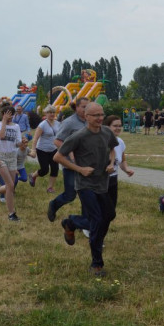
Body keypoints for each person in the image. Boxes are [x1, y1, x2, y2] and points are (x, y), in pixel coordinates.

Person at [53, 103, 117, 277]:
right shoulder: (79, 136)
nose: (99, 118)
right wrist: (79, 169)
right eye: (95, 115)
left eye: (102, 114)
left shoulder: (107, 132)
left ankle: (71, 222)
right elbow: (58, 156)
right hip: (84, 184)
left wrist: (111, 164)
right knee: (96, 220)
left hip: (102, 183)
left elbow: (112, 149)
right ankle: (96, 264)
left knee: (109, 215)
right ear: (86, 117)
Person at [46, 97, 89, 222]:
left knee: (86, 194)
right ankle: (54, 204)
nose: (86, 109)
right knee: (70, 195)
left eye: (88, 106)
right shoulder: (69, 122)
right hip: (70, 165)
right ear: (76, 107)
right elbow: (57, 141)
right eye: (83, 107)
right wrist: (70, 151)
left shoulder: (89, 121)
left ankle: (85, 221)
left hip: (86, 164)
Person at [0, 105, 22, 221]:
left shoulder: (17, 127)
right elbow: (2, 135)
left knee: (10, 186)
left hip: (12, 156)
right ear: (3, 114)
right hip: (0, 156)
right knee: (10, 185)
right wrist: (4, 121)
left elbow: (17, 143)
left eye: (11, 114)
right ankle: (11, 213)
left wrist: (22, 143)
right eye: (7, 114)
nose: (9, 116)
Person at [29, 105, 61, 193]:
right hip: (42, 150)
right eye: (50, 112)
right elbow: (35, 138)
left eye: (53, 112)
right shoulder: (42, 125)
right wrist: (33, 150)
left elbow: (60, 136)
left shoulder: (58, 123)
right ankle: (33, 175)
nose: (52, 114)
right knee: (44, 170)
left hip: (54, 149)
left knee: (55, 168)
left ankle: (50, 188)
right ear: (46, 114)